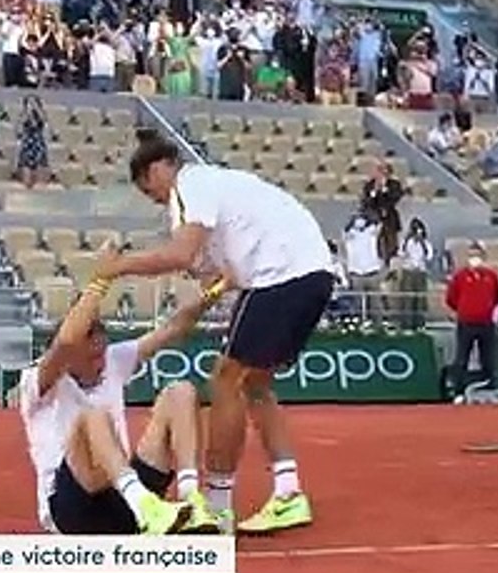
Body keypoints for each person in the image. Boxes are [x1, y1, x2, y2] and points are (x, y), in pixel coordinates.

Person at [99, 129, 334, 535]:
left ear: (159, 169)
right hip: (311, 271)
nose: (152, 197)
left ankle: (219, 504)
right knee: (256, 383)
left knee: (227, 379)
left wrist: (118, 266)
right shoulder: (219, 188)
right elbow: (211, 270)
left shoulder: (191, 185)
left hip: (282, 274)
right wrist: (205, 293)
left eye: (149, 187)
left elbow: (180, 255)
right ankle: (288, 492)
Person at [18, 247, 223, 536]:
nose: (101, 362)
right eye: (92, 357)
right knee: (93, 417)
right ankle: (145, 507)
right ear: (72, 356)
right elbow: (65, 342)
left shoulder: (114, 359)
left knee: (181, 392)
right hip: (73, 509)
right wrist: (101, 279)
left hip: (123, 499)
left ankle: (191, 500)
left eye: (102, 352)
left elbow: (174, 327)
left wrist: (218, 289)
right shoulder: (40, 381)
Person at [444, 242, 498, 398]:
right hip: (466, 323)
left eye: (477, 255)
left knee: (488, 358)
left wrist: (487, 309)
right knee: (462, 358)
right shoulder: (460, 276)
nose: (474, 258)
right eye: (471, 255)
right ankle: (459, 391)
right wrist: (463, 310)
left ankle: (489, 388)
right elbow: (450, 298)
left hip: (486, 323)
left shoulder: (491, 276)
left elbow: (496, 297)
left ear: (483, 257)